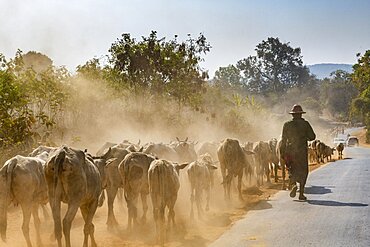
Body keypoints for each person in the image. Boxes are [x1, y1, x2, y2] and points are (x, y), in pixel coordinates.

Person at [280, 104, 316, 201]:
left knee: (291, 169)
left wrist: (282, 153)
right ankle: (301, 193)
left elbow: (283, 140)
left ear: (292, 115)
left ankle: (293, 185)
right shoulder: (305, 124)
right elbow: (313, 137)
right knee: (304, 171)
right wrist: (306, 137)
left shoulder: (287, 125)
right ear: (301, 114)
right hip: (302, 151)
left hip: (290, 151)